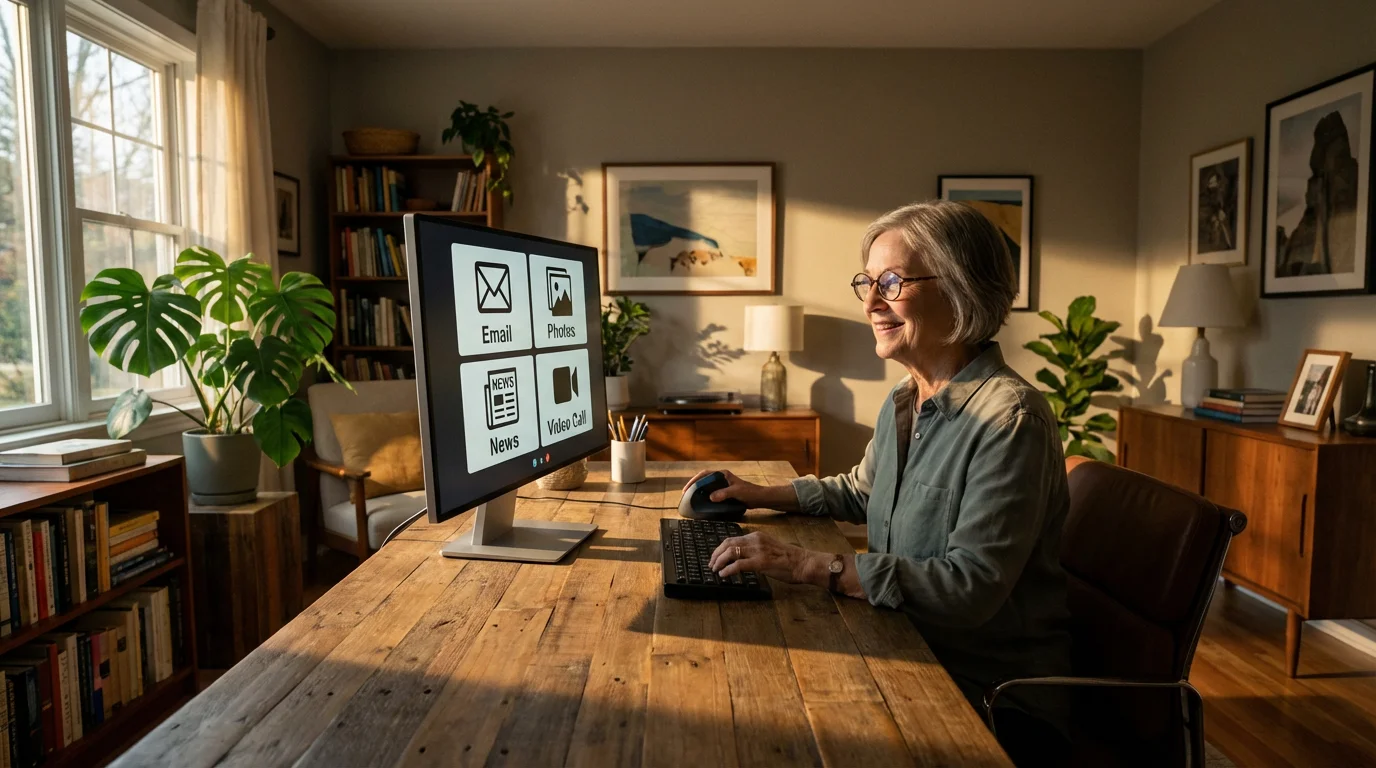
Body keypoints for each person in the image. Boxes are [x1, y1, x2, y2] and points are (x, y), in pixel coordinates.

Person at [690, 200, 1073, 765]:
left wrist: (804, 564)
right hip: (906, 640)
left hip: (982, 694)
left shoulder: (1010, 421)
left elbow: (970, 586)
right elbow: (865, 491)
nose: (870, 302)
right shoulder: (907, 398)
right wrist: (758, 493)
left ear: (961, 288)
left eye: (892, 282)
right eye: (866, 282)